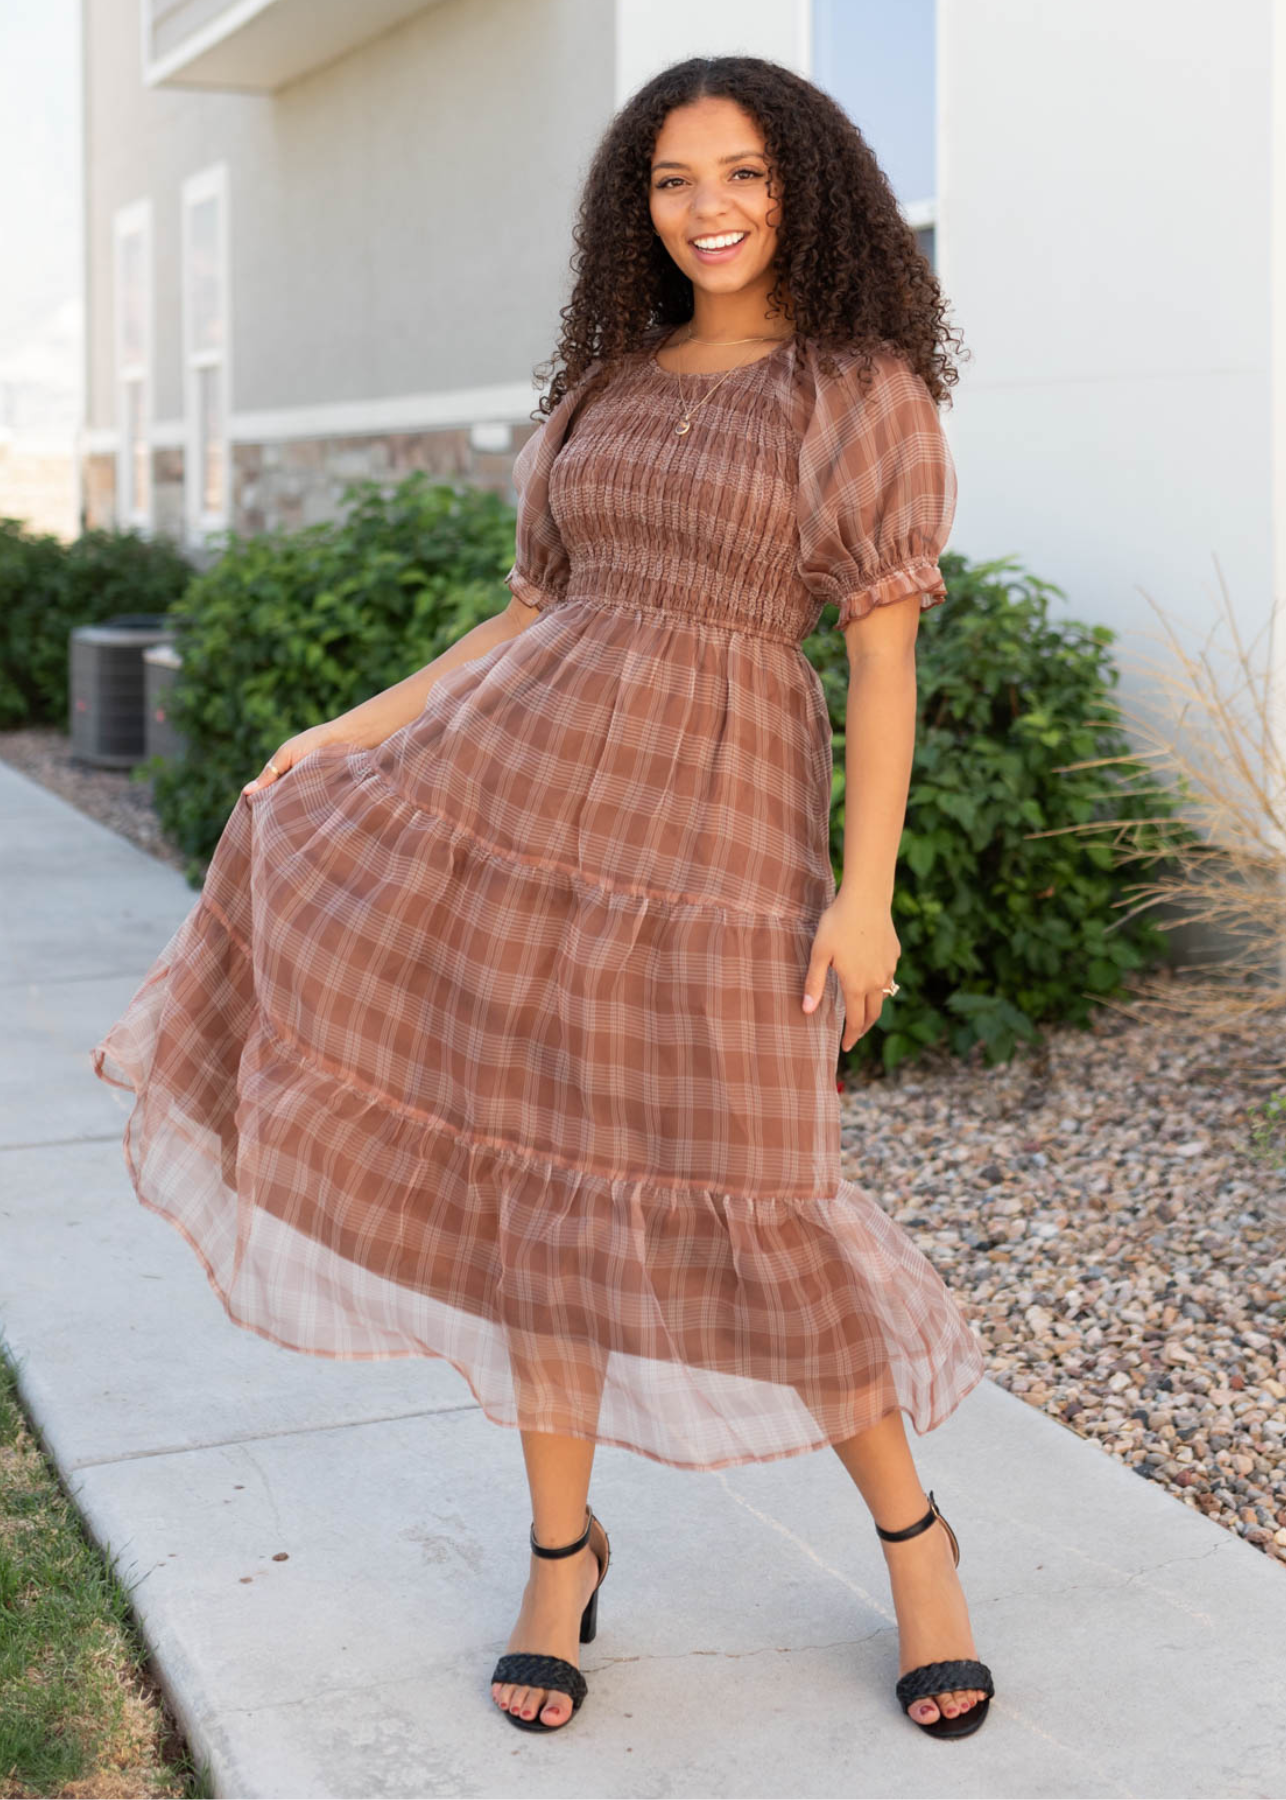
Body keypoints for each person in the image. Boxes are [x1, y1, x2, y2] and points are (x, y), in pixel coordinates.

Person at [91, 53, 994, 1745]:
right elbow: (531, 616)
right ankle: (560, 1558)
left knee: (765, 1192)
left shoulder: (856, 390)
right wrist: (346, 731)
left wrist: (862, 896)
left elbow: (882, 661)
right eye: (669, 179)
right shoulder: (606, 380)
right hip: (516, 800)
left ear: (806, 185)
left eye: (740, 173)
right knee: (542, 1210)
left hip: (717, 840)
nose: (706, 208)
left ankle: (915, 1545)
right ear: (630, 206)